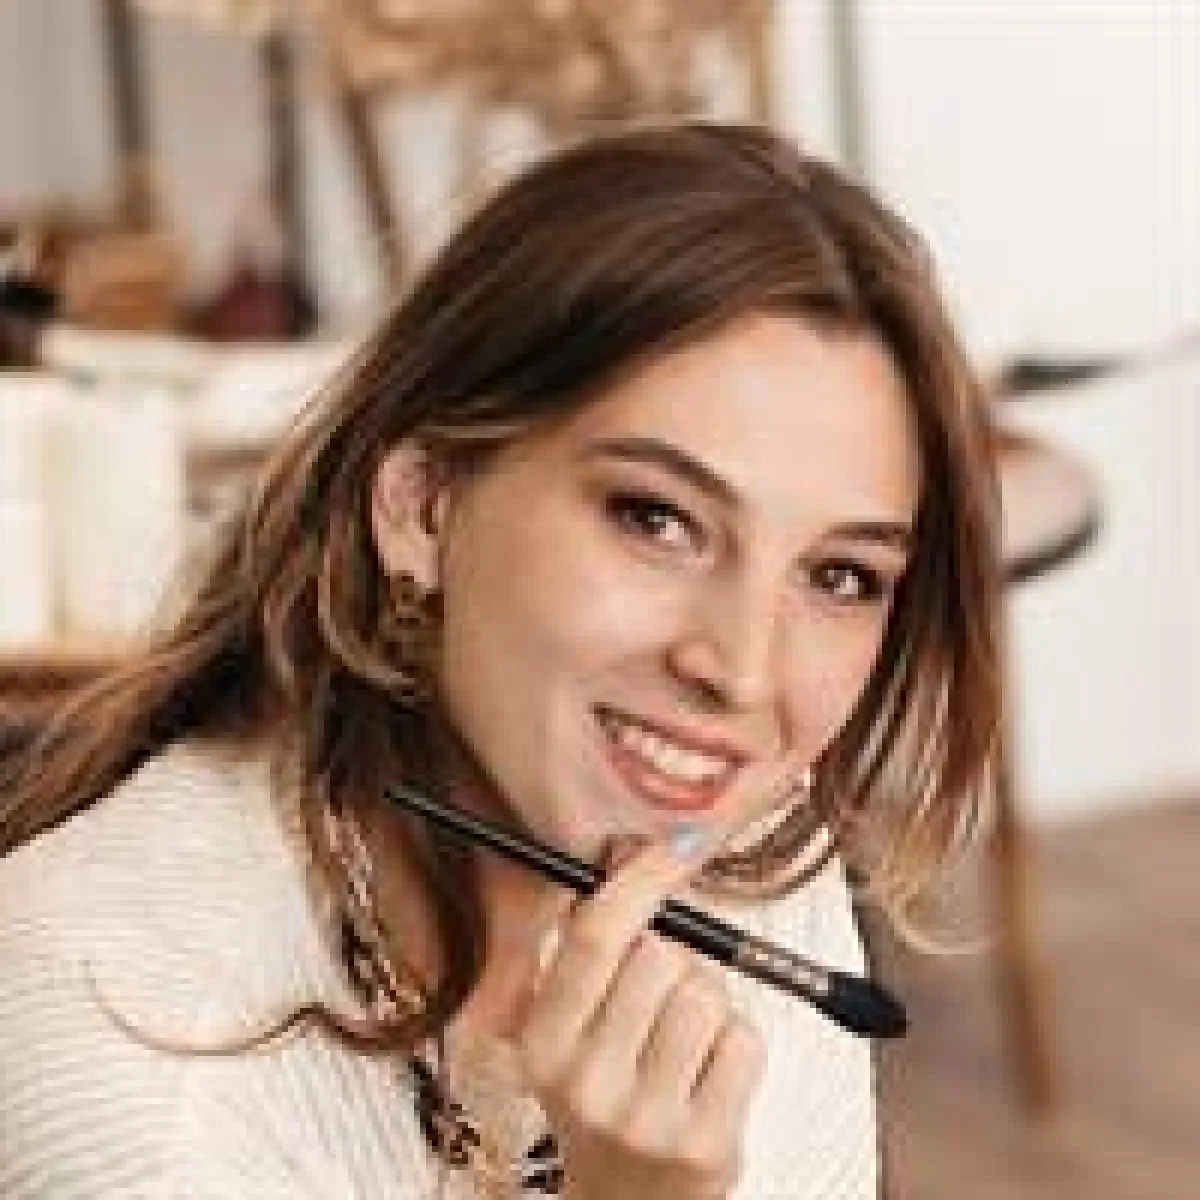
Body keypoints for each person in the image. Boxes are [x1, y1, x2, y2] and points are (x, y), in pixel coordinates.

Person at [0, 121, 1001, 1199]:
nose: (744, 675)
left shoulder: (738, 838)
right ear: (425, 504)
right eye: (656, 519)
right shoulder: (128, 1062)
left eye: (841, 576)